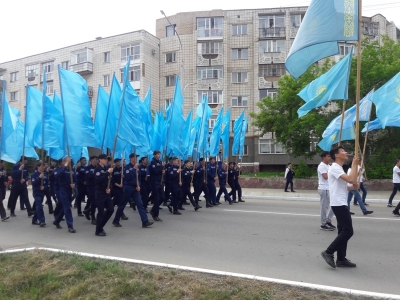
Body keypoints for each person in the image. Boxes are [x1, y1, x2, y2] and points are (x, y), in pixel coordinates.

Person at [321, 146, 359, 268]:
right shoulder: (335, 168)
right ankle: (328, 252)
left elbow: (345, 185)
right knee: (348, 231)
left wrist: (353, 187)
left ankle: (341, 259)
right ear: (336, 155)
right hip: (339, 203)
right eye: (343, 151)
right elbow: (351, 178)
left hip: (340, 202)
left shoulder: (338, 168)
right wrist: (354, 165)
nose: (346, 152)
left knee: (343, 231)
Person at [113, 153, 153, 228]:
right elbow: (127, 177)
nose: (136, 159)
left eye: (137, 157)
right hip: (128, 188)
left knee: (140, 204)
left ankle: (145, 221)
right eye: (135, 157)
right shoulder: (127, 167)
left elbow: (139, 178)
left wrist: (139, 185)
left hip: (135, 188)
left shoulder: (137, 167)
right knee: (122, 205)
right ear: (131, 158)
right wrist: (133, 169)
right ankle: (116, 220)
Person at [53, 156, 77, 233]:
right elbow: (57, 176)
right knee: (67, 208)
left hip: (70, 190)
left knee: (65, 208)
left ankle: (57, 221)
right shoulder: (59, 169)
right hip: (63, 190)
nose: (70, 163)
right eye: (68, 161)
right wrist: (65, 165)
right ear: (63, 162)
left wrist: (74, 184)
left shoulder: (72, 170)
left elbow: (75, 179)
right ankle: (70, 226)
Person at [94, 154, 115, 236]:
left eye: (107, 159)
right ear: (100, 159)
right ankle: (98, 230)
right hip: (100, 193)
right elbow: (98, 180)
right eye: (105, 159)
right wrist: (107, 173)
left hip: (107, 192)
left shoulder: (106, 169)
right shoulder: (97, 169)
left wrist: (109, 188)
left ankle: (100, 225)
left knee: (111, 209)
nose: (107, 160)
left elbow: (110, 181)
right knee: (101, 212)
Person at [317, 151, 335, 231]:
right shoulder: (322, 166)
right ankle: (323, 224)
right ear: (323, 157)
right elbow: (325, 176)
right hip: (324, 189)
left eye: (330, 156)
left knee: (335, 205)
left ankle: (328, 219)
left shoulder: (329, 166)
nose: (330, 158)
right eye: (328, 156)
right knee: (324, 207)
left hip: (330, 188)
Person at [149, 150, 165, 222]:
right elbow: (155, 171)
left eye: (159, 154)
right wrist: (161, 167)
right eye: (157, 154)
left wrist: (163, 171)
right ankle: (155, 215)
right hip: (154, 182)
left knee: (163, 197)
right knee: (156, 199)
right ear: (154, 155)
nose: (159, 155)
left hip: (160, 182)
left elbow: (160, 171)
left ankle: (153, 210)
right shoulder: (153, 162)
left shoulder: (160, 162)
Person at [31, 161, 48, 227]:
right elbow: (34, 183)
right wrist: (39, 177)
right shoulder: (34, 174)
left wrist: (44, 187)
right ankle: (42, 221)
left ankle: (34, 220)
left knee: (38, 207)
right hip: (36, 192)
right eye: (42, 166)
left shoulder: (45, 174)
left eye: (44, 166)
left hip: (42, 193)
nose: (43, 167)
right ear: (38, 166)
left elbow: (47, 184)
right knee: (39, 206)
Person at [83, 156, 98, 223]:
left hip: (97, 187)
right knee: (93, 202)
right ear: (91, 160)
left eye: (97, 160)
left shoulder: (97, 167)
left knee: (96, 202)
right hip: (90, 187)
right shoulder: (88, 168)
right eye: (95, 159)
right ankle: (93, 218)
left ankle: (87, 211)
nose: (96, 161)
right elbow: (88, 176)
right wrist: (94, 173)